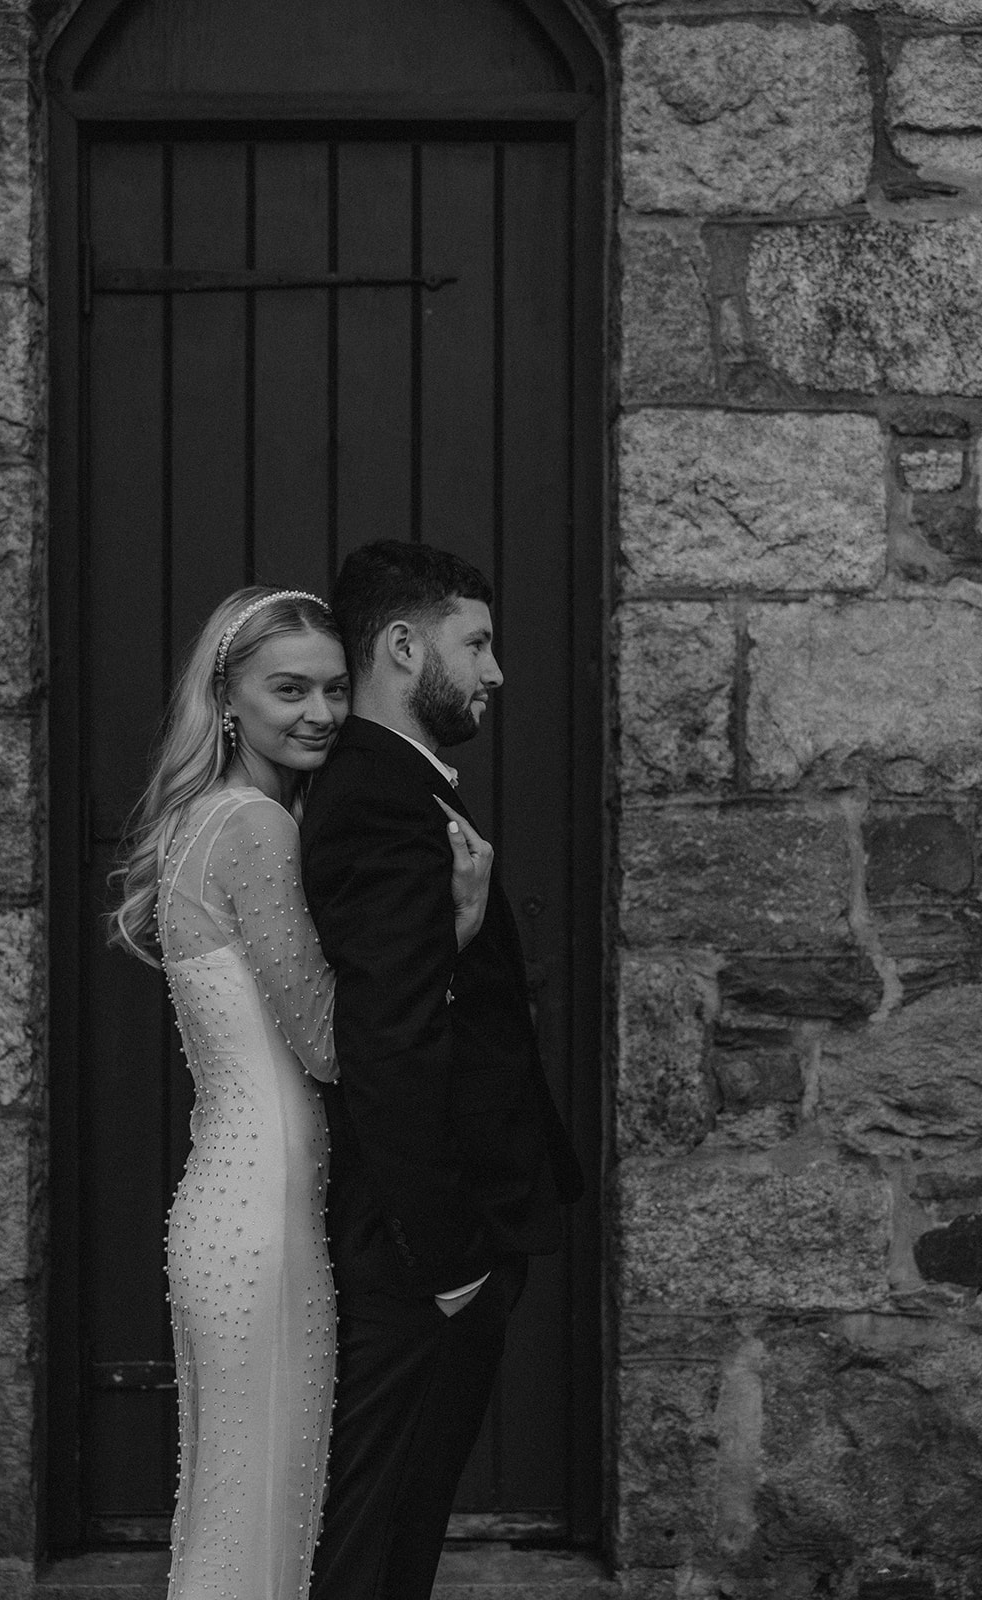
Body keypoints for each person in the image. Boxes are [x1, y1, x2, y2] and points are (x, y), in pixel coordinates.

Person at [107, 586, 491, 1600]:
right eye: (287, 690)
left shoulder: (200, 820)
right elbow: (329, 1043)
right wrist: (450, 928)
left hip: (225, 1207)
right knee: (260, 1530)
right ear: (226, 699)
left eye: (331, 687)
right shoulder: (256, 826)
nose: (319, 712)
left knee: (235, 1523)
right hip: (264, 1225)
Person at [301, 541, 584, 1600]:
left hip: (434, 1241)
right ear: (403, 644)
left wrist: (463, 939)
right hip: (420, 1253)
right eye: (477, 643)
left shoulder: (391, 789)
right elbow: (391, 1044)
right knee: (376, 1542)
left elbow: (414, 996)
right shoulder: (381, 800)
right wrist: (450, 1257)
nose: (495, 671)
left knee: (396, 1530)